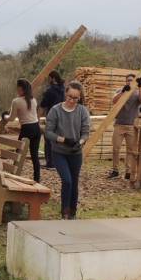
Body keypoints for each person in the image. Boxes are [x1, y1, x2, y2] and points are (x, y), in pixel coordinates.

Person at [44, 80, 92, 219]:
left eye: (75, 98)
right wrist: (63, 140)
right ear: (65, 94)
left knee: (74, 182)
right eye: (70, 97)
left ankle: (72, 212)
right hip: (59, 152)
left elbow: (85, 132)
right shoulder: (55, 110)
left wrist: (80, 142)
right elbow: (48, 132)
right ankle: (64, 211)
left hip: (75, 153)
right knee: (67, 180)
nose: (71, 100)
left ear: (79, 98)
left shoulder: (82, 111)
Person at [109, 73, 141, 180]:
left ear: (134, 81)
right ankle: (115, 170)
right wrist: (123, 91)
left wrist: (140, 87)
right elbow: (114, 101)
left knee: (130, 150)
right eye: (128, 80)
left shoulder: (137, 92)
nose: (129, 82)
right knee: (116, 148)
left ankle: (128, 171)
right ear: (125, 81)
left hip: (132, 126)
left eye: (131, 80)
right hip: (119, 124)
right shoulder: (120, 90)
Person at [6, 78, 42, 182]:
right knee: (35, 155)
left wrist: (4, 116)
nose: (16, 90)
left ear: (20, 88)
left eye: (17, 88)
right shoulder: (33, 99)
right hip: (36, 128)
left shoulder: (16, 101)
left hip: (26, 129)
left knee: (18, 154)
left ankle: (14, 176)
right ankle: (37, 179)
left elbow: (11, 118)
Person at [38, 71, 65, 170]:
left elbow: (42, 106)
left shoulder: (49, 91)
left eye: (49, 78)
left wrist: (37, 119)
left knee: (49, 140)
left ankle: (50, 163)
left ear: (53, 78)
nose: (48, 80)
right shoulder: (63, 89)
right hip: (62, 117)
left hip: (52, 118)